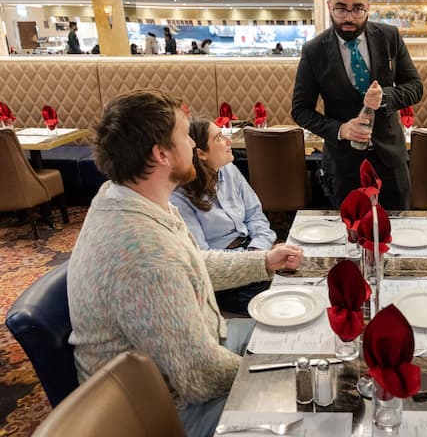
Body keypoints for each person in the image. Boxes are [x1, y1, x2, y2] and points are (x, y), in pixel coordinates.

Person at [67, 89, 303, 437]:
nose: (193, 144)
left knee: (297, 339)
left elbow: (191, 263)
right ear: (161, 154)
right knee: (304, 405)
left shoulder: (128, 197)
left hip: (199, 350)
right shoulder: (144, 253)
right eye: (184, 136)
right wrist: (278, 377)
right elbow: (200, 377)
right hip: (158, 411)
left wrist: (263, 261)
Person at [292, 0, 423, 210]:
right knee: (348, 231)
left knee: (398, 229)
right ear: (329, 5)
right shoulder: (314, 51)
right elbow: (300, 110)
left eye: (358, 9)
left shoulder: (389, 37)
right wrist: (341, 129)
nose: (349, 18)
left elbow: (415, 87)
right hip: (343, 167)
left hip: (390, 163)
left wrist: (385, 97)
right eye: (341, 9)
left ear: (368, 7)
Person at [171, 119, 277, 314]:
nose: (229, 142)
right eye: (219, 138)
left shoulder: (229, 169)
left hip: (252, 250)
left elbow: (256, 216)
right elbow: (202, 258)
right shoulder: (179, 196)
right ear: (201, 153)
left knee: (300, 282)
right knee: (277, 304)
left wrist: (257, 250)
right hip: (225, 278)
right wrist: (253, 261)